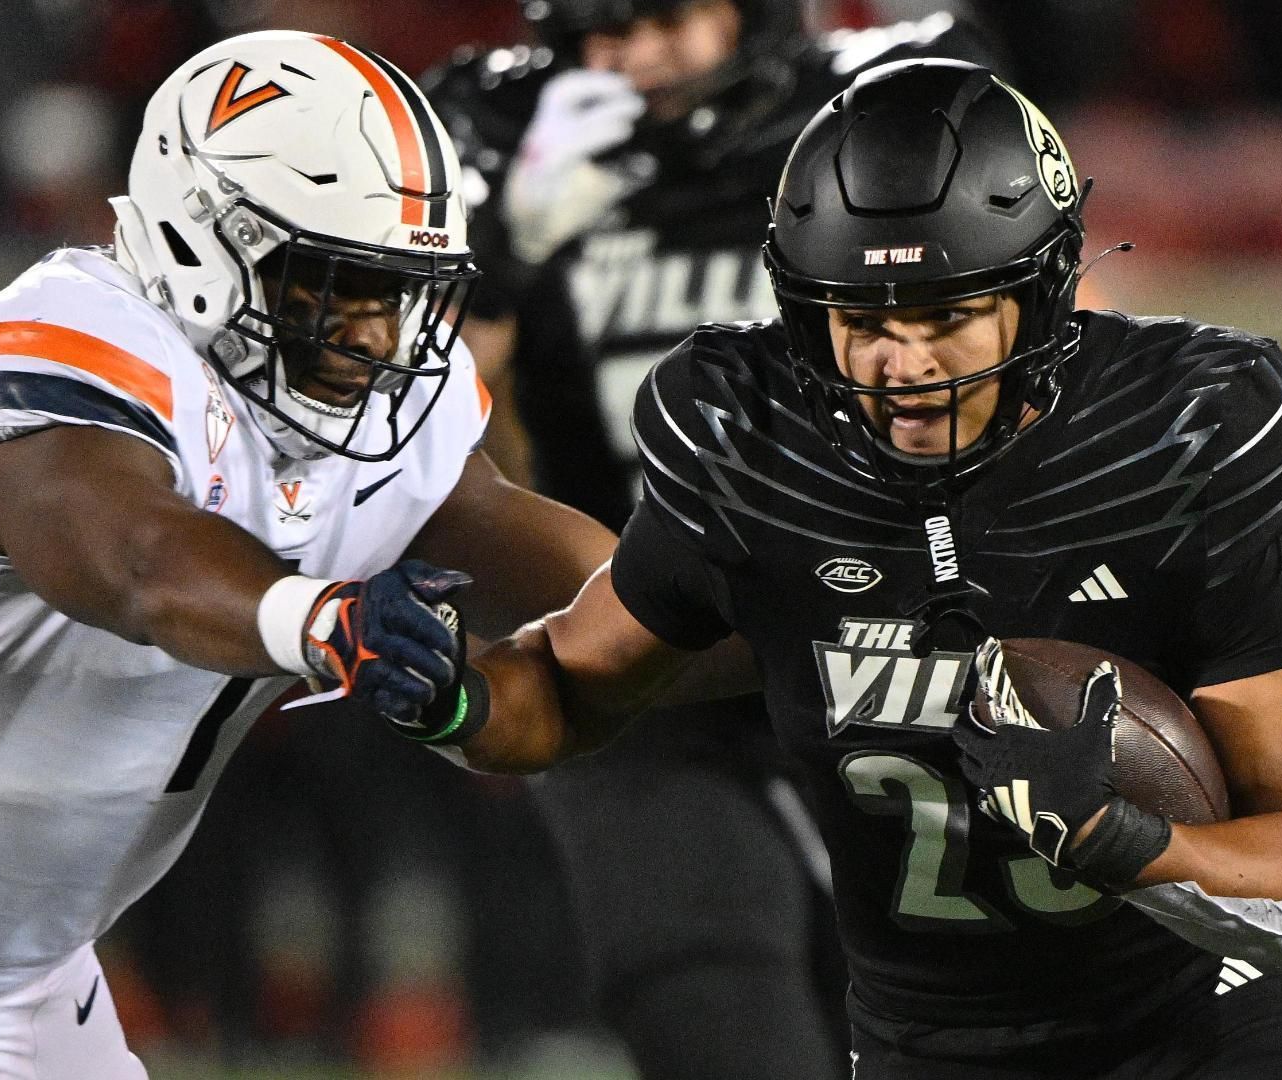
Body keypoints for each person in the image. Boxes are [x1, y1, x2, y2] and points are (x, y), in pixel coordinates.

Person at [0, 30, 617, 1079]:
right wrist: (324, 619)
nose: (379, 337)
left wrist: (755, 594)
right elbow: (137, 562)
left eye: (398, 290)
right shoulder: (70, 333)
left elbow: (595, 578)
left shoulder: (375, 411)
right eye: (337, 284)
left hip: (41, 982)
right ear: (212, 241)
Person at [406, 59, 1282, 1079]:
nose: (899, 365)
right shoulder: (755, 453)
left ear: (1036, 298)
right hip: (933, 1050)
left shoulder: (1172, 451)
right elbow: (566, 688)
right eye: (861, 319)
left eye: (944, 316)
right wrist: (452, 696)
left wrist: (1122, 839)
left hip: (1192, 1026)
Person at [422, 5, 1007, 1077]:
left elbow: (1024, 352)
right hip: (640, 629)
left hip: (893, 631)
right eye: (601, 29)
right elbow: (439, 453)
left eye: (665, 16)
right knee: (711, 1005)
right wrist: (498, 262)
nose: (634, 58)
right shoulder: (501, 130)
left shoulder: (890, 95)